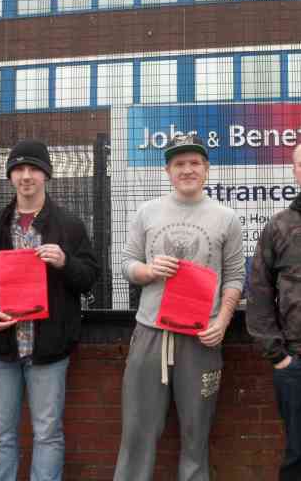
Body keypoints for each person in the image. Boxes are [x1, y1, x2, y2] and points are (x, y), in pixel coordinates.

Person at [114, 134, 245, 481]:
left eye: (194, 163)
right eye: (179, 164)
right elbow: (127, 263)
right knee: (138, 432)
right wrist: (148, 270)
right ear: (168, 170)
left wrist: (223, 319)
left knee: (196, 434)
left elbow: (234, 276)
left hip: (201, 338)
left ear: (206, 169)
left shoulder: (226, 218)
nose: (187, 169)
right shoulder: (147, 212)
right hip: (151, 334)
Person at [0, 139, 99, 481]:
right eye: (19, 169)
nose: (26, 176)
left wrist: (65, 262)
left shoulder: (69, 225)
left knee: (48, 435)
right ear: (10, 176)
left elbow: (89, 278)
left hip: (49, 350)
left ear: (46, 175)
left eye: (34, 169)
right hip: (0, 350)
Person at [246, 143, 301, 481]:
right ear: (295, 172)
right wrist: (279, 356)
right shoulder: (279, 228)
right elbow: (259, 293)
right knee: (297, 455)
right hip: (296, 362)